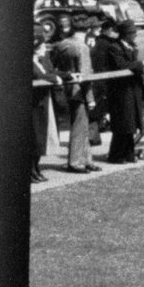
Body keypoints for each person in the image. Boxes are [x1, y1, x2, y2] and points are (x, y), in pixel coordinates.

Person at [88, 18, 144, 163]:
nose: (135, 35)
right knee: (123, 123)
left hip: (132, 88)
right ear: (126, 34)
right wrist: (139, 65)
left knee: (131, 122)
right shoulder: (115, 47)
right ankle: (116, 155)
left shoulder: (131, 46)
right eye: (133, 33)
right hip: (120, 91)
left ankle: (128, 153)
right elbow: (121, 65)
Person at [49, 14, 97, 173]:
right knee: (79, 126)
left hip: (65, 89)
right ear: (88, 29)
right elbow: (85, 76)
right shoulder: (82, 47)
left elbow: (53, 66)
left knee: (81, 124)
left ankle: (87, 159)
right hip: (79, 91)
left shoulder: (62, 44)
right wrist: (90, 98)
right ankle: (76, 162)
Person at [30, 18, 60, 182]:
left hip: (42, 101)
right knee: (33, 138)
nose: (44, 49)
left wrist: (65, 75)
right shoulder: (32, 61)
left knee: (40, 138)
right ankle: (31, 171)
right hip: (33, 103)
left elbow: (50, 71)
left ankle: (36, 168)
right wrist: (53, 79)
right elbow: (39, 76)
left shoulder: (43, 59)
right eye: (41, 46)